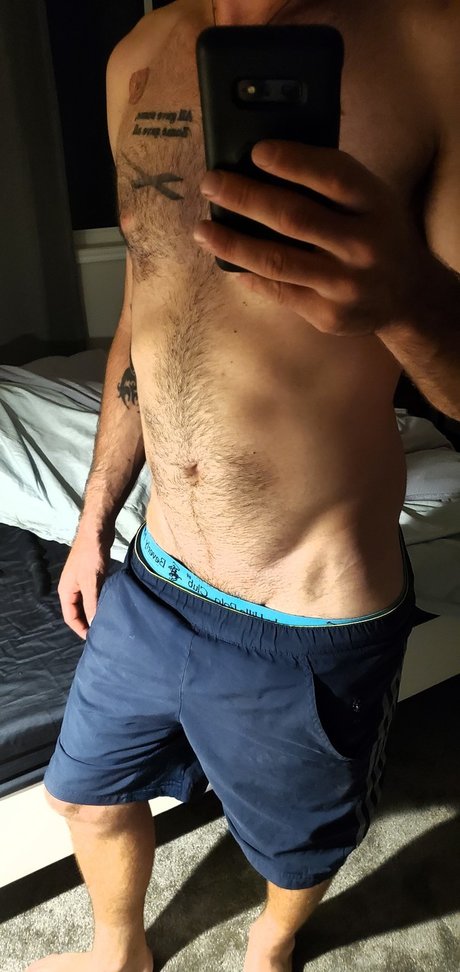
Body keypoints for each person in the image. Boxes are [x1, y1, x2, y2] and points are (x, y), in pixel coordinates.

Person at [27, 1, 460, 971]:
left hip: (309, 608)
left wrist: (407, 301)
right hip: (157, 572)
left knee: (296, 844)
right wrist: (94, 521)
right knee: (82, 794)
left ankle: (271, 946)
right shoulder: (135, 58)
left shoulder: (435, 47)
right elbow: (142, 310)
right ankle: (118, 952)